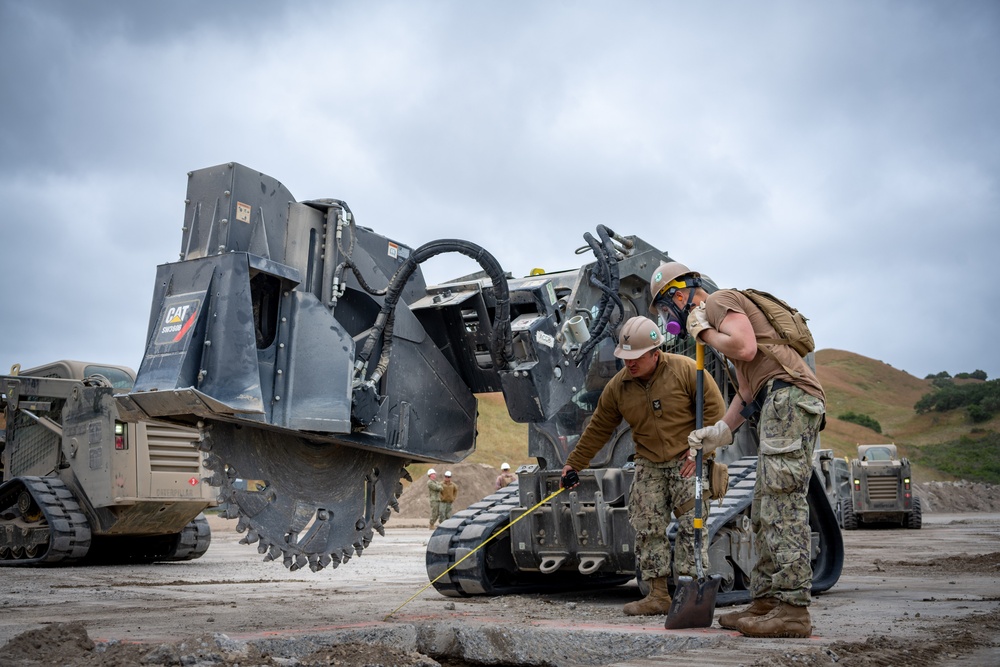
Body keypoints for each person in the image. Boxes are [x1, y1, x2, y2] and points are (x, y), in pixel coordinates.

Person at [650, 261, 826, 639]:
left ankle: (793, 610)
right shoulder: (716, 320)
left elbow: (744, 347)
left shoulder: (718, 303)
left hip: (789, 402)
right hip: (773, 404)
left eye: (666, 309)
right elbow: (747, 394)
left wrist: (706, 333)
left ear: (680, 295)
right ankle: (765, 602)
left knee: (782, 506)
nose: (669, 317)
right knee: (764, 508)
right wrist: (717, 433)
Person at [560, 315, 725, 616]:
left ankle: (690, 591)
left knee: (692, 527)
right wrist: (574, 464)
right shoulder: (618, 387)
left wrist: (700, 453)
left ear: (654, 352)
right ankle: (658, 595)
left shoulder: (686, 370)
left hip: (687, 461)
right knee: (648, 527)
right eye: (625, 358)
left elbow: (716, 412)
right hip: (648, 464)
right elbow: (598, 428)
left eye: (636, 358)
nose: (630, 364)